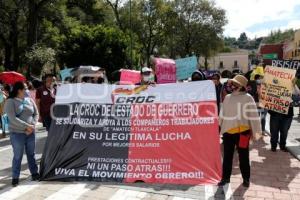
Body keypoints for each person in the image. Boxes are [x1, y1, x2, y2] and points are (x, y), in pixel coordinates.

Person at [219, 75, 262, 188]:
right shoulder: (227, 97)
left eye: (234, 84)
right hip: (228, 133)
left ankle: (246, 179)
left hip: (243, 133)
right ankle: (225, 178)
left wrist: (256, 131)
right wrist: (219, 126)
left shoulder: (248, 98)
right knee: (227, 157)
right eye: (232, 84)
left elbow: (254, 116)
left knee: (243, 157)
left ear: (240, 86)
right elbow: (222, 114)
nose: (231, 86)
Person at [4, 82, 39, 187]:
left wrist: (32, 125)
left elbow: (36, 114)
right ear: (19, 90)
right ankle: (15, 177)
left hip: (31, 132)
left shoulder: (29, 100)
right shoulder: (10, 101)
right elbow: (12, 118)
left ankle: (34, 173)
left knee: (31, 154)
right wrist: (26, 126)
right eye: (25, 88)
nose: (27, 90)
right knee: (18, 156)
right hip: (17, 134)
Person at [269, 79, 300, 152]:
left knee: (284, 131)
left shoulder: (291, 85)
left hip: (287, 114)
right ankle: (273, 146)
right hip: (275, 113)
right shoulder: (274, 84)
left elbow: (298, 93)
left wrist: (293, 84)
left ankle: (282, 146)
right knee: (274, 131)